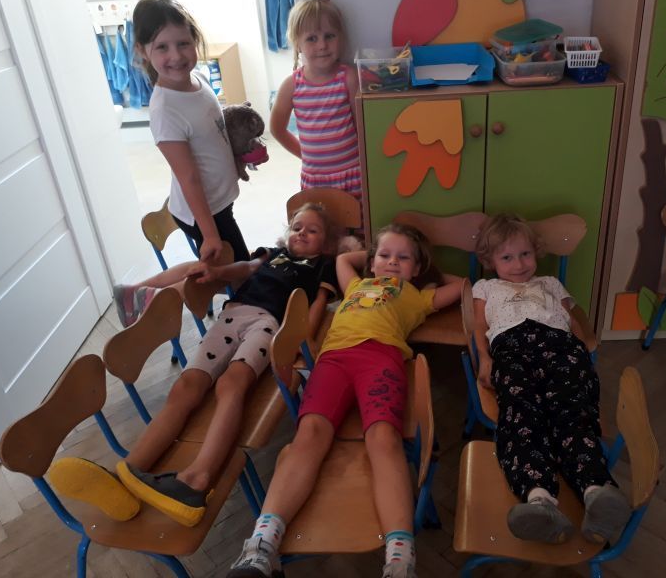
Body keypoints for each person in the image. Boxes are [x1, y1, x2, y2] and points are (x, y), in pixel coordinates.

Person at [49, 204, 339, 527]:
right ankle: (126, 475)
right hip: (232, 314)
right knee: (186, 386)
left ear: (326, 242)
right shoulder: (271, 253)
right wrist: (218, 273)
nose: (302, 233)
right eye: (297, 227)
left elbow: (317, 304)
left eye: (312, 230)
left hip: (269, 323)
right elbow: (245, 267)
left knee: (232, 384)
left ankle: (197, 479)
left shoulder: (322, 266)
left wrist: (300, 338)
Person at [227, 224, 462, 578]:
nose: (392, 262)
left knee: (384, 439)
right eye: (384, 255)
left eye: (403, 258)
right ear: (371, 262)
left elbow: (462, 286)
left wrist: (430, 272)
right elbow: (343, 260)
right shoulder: (355, 285)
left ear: (416, 268)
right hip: (333, 361)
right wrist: (376, 257)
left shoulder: (416, 296)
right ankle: (260, 547)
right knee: (308, 435)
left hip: (381, 359)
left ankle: (400, 560)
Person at [472, 214, 631, 545]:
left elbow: (574, 318)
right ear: (490, 261)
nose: (519, 264)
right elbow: (477, 326)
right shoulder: (485, 287)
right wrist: (484, 359)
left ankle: (596, 490)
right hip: (510, 349)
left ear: (536, 252)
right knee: (520, 414)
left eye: (525, 254)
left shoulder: (550, 283)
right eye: (507, 257)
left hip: (558, 345)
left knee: (573, 410)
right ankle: (539, 499)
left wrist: (582, 347)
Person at [132, 0, 251, 266]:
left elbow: (213, 133)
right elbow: (188, 178)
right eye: (162, 47)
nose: (176, 56)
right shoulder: (165, 110)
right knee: (242, 273)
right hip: (205, 214)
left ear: (195, 40)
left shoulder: (198, 79)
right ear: (142, 50)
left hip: (218, 202)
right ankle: (156, 286)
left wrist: (240, 154)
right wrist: (209, 235)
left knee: (238, 267)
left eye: (183, 43)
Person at [270, 0, 362, 202]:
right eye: (312, 38)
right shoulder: (291, 85)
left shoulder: (348, 78)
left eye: (329, 36)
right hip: (315, 180)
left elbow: (362, 127)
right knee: (319, 223)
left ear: (341, 37)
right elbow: (277, 129)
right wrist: (304, 155)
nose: (322, 45)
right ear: (297, 44)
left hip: (353, 175)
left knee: (357, 222)